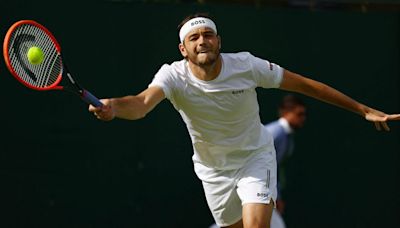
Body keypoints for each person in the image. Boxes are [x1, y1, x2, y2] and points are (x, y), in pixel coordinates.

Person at [89, 13, 400, 228]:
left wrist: (361, 108)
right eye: (194, 37)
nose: (202, 41)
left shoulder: (247, 66)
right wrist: (114, 107)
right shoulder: (172, 75)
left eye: (208, 34)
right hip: (213, 171)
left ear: (218, 41)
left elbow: (305, 85)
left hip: (255, 158)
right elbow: (141, 104)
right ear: (183, 49)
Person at [264, 94, 306, 228]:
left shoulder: (288, 137)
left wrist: (277, 194)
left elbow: (274, 167)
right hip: (254, 187)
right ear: (287, 113)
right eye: (299, 114)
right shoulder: (275, 133)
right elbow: (262, 164)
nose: (303, 119)